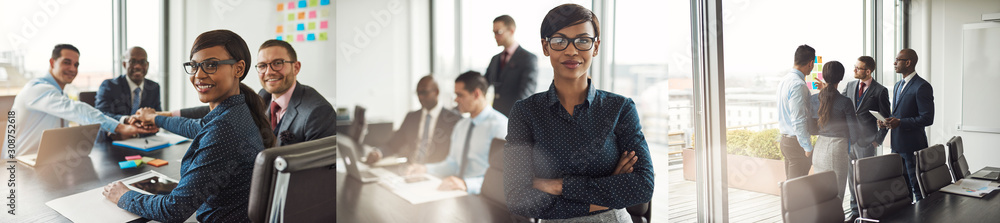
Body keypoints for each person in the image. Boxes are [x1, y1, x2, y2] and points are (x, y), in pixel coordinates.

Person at [102, 29, 274, 222]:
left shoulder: (224, 128)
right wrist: (155, 118)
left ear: (239, 69)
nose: (198, 75)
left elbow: (173, 210)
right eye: (194, 66)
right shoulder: (238, 111)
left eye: (211, 65)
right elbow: (194, 126)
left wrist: (124, 196)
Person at [504, 4, 653, 222]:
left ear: (596, 47)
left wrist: (557, 185)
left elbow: (642, 186)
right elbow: (517, 197)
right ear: (546, 47)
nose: (571, 50)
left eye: (583, 40)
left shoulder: (620, 108)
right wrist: (608, 191)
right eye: (559, 40)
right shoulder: (526, 112)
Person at [170, 39, 336, 146]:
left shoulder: (317, 112)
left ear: (296, 67)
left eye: (277, 63)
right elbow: (220, 110)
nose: (269, 72)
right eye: (262, 66)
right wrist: (169, 114)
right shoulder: (263, 95)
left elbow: (320, 174)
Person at [9, 44, 148, 157]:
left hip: (45, 162)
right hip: (17, 166)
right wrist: (120, 127)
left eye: (76, 64)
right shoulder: (36, 89)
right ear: (52, 62)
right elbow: (76, 109)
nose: (72, 69)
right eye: (67, 62)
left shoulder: (59, 94)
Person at [408, 71, 506, 195]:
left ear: (476, 94)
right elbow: (452, 164)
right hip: (456, 191)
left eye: (460, 95)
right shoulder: (461, 125)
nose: (456, 100)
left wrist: (466, 184)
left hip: (484, 195)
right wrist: (425, 169)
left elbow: (504, 178)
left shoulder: (501, 127)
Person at [365, 75, 462, 164]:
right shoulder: (411, 117)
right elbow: (393, 144)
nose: (420, 97)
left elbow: (455, 158)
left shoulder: (454, 120)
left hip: (437, 174)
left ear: (436, 92)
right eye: (418, 93)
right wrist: (378, 152)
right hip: (409, 171)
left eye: (424, 92)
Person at [880, 48, 934, 201]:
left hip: (913, 147)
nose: (894, 63)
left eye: (898, 60)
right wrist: (887, 121)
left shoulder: (922, 86)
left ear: (908, 62)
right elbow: (897, 115)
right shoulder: (898, 85)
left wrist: (900, 123)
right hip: (896, 146)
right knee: (900, 189)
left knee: (917, 187)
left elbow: (927, 118)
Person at [842, 56, 891, 221]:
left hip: (867, 143)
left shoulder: (880, 91)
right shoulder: (849, 86)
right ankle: (855, 212)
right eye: (854, 66)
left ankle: (868, 213)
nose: (854, 70)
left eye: (858, 68)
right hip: (850, 141)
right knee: (851, 179)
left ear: (868, 71)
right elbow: (840, 105)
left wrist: (877, 140)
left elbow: (886, 118)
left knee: (866, 180)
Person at [810, 61, 861, 216]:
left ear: (824, 76)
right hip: (837, 148)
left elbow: (812, 128)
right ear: (841, 77)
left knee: (821, 194)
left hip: (819, 148)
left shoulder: (813, 99)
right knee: (836, 194)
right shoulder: (845, 102)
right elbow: (855, 134)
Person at [95, 46, 162, 139]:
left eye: (142, 62)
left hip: (144, 140)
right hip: (114, 140)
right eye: (132, 61)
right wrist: (127, 120)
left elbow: (157, 114)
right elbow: (101, 114)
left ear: (147, 65)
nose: (138, 66)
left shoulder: (154, 87)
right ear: (124, 64)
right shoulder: (109, 85)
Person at [485, 14, 538, 117]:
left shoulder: (528, 58)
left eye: (498, 32)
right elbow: (484, 84)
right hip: (496, 116)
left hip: (515, 118)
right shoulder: (495, 59)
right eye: (494, 33)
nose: (495, 36)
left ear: (511, 31)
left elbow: (526, 93)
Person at [777, 44, 816, 179]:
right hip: (796, 143)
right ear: (811, 63)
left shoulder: (784, 81)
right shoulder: (798, 85)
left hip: (785, 141)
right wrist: (807, 146)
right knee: (797, 189)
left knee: (791, 187)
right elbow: (798, 118)